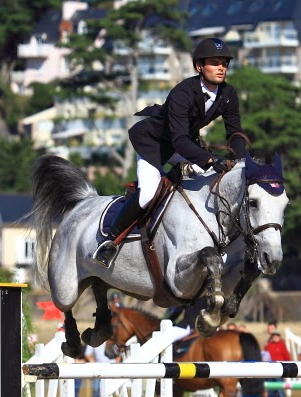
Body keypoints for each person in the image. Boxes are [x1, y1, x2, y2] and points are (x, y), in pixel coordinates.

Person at [93, 37, 248, 267]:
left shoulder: (228, 94)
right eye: (214, 63)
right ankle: (110, 241)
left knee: (212, 182)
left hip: (184, 144)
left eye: (224, 64)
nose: (221, 68)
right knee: (148, 194)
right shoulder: (182, 93)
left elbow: (234, 131)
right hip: (154, 144)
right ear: (199, 67)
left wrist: (241, 161)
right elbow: (180, 140)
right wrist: (210, 160)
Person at [264, 331, 291, 397]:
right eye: (274, 336)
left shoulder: (282, 345)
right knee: (270, 390)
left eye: (277, 336)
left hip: (279, 370)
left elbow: (287, 358)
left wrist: (286, 369)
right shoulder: (268, 346)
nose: (275, 337)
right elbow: (264, 357)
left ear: (279, 337)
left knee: (280, 389)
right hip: (269, 370)